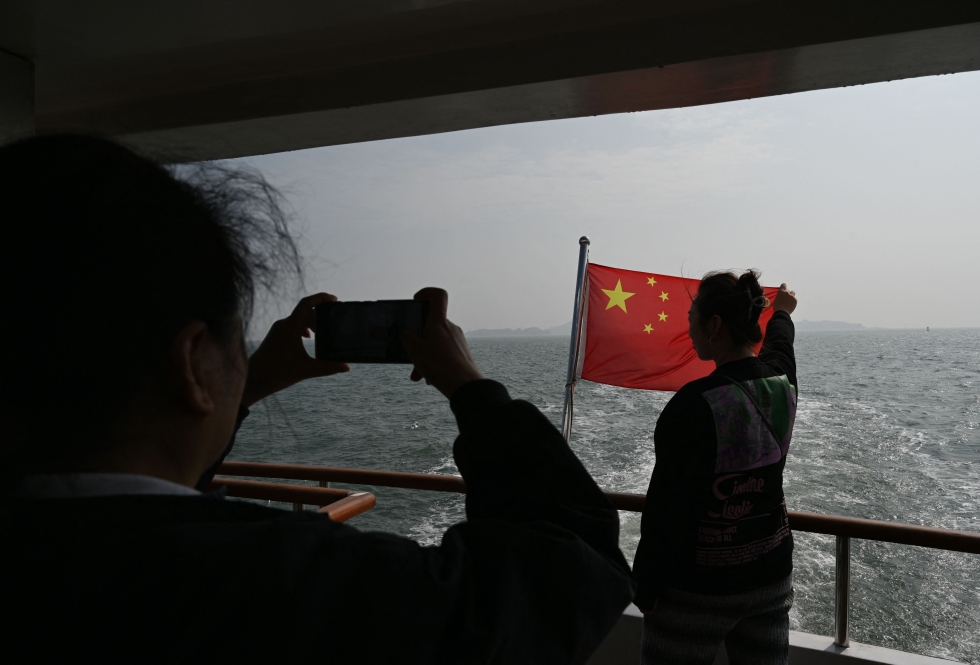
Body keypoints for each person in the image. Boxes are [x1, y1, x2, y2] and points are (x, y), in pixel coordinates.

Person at [0, 135, 634, 663]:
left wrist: (245, 382)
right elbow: (573, 570)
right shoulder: (287, 587)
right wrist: (470, 385)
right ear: (193, 363)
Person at [631, 270, 799, 665]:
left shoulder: (693, 404)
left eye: (692, 320)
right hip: (770, 580)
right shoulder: (783, 382)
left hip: (697, 590)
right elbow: (780, 346)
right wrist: (783, 313)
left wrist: (647, 587)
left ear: (715, 325)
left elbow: (667, 510)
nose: (688, 330)